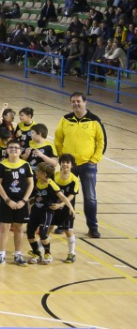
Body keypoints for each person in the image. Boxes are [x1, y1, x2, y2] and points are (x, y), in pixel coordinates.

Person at [54, 93, 105, 239]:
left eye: (78, 101)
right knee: (65, 196)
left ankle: (92, 227)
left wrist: (94, 159)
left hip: (87, 165)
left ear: (85, 102)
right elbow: (58, 139)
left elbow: (101, 142)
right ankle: (63, 225)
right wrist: (61, 158)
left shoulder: (94, 120)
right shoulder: (65, 119)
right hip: (68, 166)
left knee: (90, 198)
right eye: (73, 102)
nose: (76, 104)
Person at [0, 139, 34, 266]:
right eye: (11, 147)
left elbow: (31, 184)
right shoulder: (2, 165)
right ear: (7, 150)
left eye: (16, 147)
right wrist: (7, 199)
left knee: (18, 228)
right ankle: (1, 255)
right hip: (6, 201)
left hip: (21, 202)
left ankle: (18, 255)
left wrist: (24, 200)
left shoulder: (25, 165)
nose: (14, 149)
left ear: (20, 150)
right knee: (4, 227)